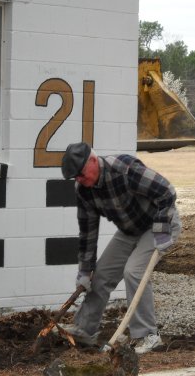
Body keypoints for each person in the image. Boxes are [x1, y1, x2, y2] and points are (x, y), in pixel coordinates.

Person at [56, 142, 181, 354]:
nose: (78, 180)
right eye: (74, 177)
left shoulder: (124, 170)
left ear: (93, 161)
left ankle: (148, 336)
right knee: (100, 276)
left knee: (133, 272)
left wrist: (161, 230)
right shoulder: (84, 190)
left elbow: (167, 192)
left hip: (159, 225)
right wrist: (85, 271)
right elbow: (88, 233)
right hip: (130, 230)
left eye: (80, 174)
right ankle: (84, 330)